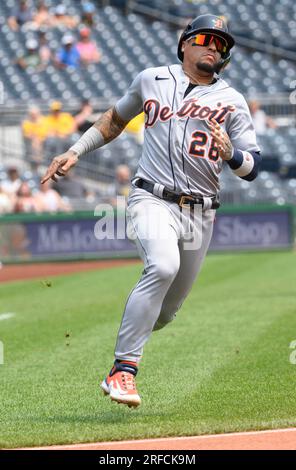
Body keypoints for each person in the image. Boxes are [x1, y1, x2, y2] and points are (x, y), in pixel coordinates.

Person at [41, 14, 261, 408]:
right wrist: (75, 151)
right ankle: (123, 370)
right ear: (185, 44)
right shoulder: (151, 79)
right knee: (161, 265)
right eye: (206, 39)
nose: (213, 46)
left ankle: (137, 325)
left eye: (221, 44)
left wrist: (232, 154)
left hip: (201, 212)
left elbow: (252, 168)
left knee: (166, 313)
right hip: (152, 197)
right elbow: (114, 120)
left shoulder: (232, 101)